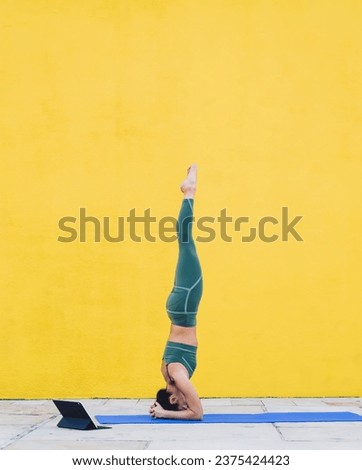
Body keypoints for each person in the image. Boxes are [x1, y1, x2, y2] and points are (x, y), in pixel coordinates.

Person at [149, 164, 203, 420]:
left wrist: (166, 413)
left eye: (178, 403)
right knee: (185, 243)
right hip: (176, 309)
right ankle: (189, 191)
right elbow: (176, 399)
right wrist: (161, 405)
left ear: (173, 397)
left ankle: (189, 192)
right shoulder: (166, 371)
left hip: (185, 306)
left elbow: (197, 413)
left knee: (186, 242)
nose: (184, 402)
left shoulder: (178, 376)